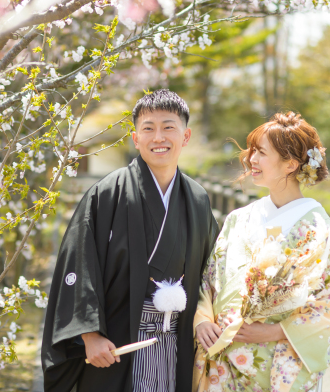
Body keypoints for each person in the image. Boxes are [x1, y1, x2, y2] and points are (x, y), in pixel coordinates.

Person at [42, 90, 219, 392]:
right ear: (136, 139)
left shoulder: (198, 200)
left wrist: (205, 318)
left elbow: (211, 275)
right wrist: (89, 335)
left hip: (176, 344)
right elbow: (79, 265)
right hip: (116, 345)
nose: (158, 137)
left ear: (185, 136)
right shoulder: (108, 194)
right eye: (148, 128)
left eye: (168, 127)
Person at [192, 112, 330, 392]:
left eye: (261, 153)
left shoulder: (316, 227)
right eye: (252, 151)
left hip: (277, 362)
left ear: (290, 164)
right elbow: (210, 278)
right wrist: (202, 320)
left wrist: (274, 331)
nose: (251, 160)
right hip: (224, 356)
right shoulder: (239, 218)